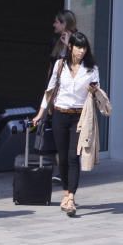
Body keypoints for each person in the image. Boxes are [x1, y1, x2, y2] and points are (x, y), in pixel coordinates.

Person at [31, 31, 101, 217]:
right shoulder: (60, 65)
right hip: (60, 114)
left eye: (84, 48)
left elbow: (97, 92)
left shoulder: (92, 68)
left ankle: (71, 196)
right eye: (78, 47)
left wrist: (94, 92)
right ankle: (65, 191)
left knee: (73, 156)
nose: (81, 51)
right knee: (62, 156)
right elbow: (50, 90)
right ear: (70, 47)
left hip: (80, 117)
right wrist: (40, 113)